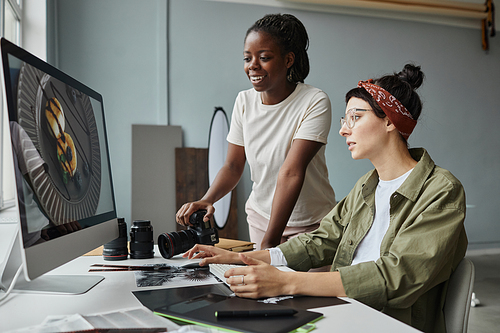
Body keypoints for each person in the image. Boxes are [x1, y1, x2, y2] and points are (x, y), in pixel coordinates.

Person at [183, 64, 468, 333]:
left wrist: (287, 282)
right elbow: (321, 240)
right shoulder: (367, 186)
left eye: (356, 117)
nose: (344, 129)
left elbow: (397, 276)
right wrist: (241, 259)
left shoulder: (441, 191)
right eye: (346, 119)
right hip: (346, 310)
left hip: (387, 322)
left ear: (390, 122)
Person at [176, 14, 336, 251]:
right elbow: (232, 166)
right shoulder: (244, 101)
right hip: (261, 218)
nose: (253, 65)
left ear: (288, 59)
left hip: (311, 225)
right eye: (247, 58)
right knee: (265, 289)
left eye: (264, 58)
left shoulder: (314, 101)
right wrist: (207, 199)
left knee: (308, 289)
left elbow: (291, 172)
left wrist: (270, 244)